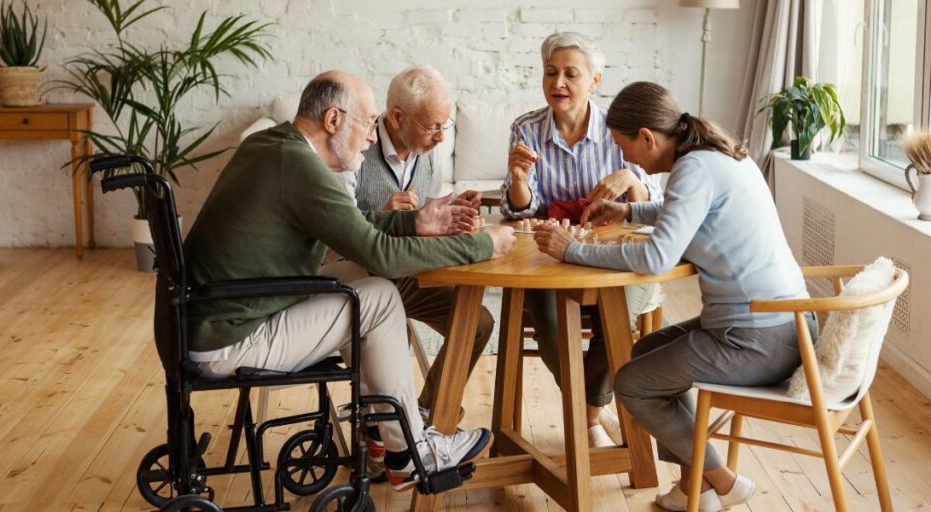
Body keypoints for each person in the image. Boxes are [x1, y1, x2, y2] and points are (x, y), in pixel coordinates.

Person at [183, 70, 517, 491]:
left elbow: (350, 226)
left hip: (226, 312)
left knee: (359, 276)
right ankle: (411, 452)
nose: (373, 137)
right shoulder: (298, 165)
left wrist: (414, 220)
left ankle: (382, 430)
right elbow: (381, 254)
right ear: (334, 120)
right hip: (231, 337)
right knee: (377, 294)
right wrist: (482, 246)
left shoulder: (275, 146)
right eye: (367, 122)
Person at [532, 81, 816, 511]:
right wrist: (628, 210)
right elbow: (686, 210)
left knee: (633, 383)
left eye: (625, 147)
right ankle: (695, 488)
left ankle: (719, 479)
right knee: (642, 351)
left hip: (757, 337)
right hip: (783, 323)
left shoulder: (694, 169)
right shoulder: (717, 157)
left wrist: (571, 250)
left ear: (647, 137)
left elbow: (657, 257)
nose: (625, 158)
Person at [501, 31, 661, 447]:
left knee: (620, 310)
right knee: (549, 321)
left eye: (571, 74)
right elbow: (520, 209)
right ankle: (591, 413)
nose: (558, 83)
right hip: (549, 254)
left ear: (595, 80)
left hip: (613, 252)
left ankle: (587, 412)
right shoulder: (526, 128)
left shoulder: (618, 128)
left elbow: (657, 203)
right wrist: (519, 180)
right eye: (551, 73)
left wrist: (631, 179)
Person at [341, 66, 494, 414]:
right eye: (432, 126)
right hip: (363, 275)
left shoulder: (429, 153)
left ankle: (428, 416)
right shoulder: (355, 150)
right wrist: (386, 215)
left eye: (445, 124)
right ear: (397, 117)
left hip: (409, 273)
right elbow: (337, 229)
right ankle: (384, 426)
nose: (441, 137)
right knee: (392, 334)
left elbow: (426, 214)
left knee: (477, 323)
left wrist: (453, 212)